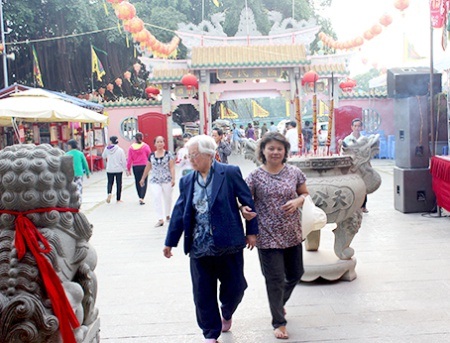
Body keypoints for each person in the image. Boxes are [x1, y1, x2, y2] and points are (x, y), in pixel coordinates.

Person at [163, 135, 258, 343]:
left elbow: (247, 200)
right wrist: (170, 241)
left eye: (194, 155)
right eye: (189, 156)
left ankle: (227, 310)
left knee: (236, 287)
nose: (191, 160)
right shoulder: (187, 180)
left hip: (229, 244)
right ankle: (210, 334)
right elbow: (180, 211)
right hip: (199, 247)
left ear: (209, 154)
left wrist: (251, 231)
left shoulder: (230, 173)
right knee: (202, 293)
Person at [245, 132, 309, 340]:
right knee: (274, 279)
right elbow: (245, 201)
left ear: (285, 152)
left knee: (296, 273)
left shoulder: (294, 172)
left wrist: (299, 201)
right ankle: (279, 322)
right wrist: (244, 212)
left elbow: (305, 194)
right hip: (266, 235)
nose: (275, 152)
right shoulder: (255, 176)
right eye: (271, 148)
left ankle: (278, 303)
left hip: (292, 232)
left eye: (279, 149)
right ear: (263, 151)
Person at [140, 136, 175, 227]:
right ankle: (160, 218)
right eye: (158, 142)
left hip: (166, 179)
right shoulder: (151, 156)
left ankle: (167, 215)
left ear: (164, 143)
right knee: (156, 196)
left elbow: (171, 167)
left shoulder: (168, 154)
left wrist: (173, 178)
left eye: (161, 142)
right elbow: (148, 167)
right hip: (155, 180)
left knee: (168, 198)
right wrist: (143, 178)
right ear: (155, 144)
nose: (159, 144)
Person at [343, 118, 369, 213]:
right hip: (352, 165)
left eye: (359, 126)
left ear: (361, 127)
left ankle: (363, 206)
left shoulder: (364, 139)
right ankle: (353, 205)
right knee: (354, 186)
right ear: (352, 127)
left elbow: (368, 152)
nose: (357, 128)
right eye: (355, 126)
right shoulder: (347, 139)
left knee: (364, 186)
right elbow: (343, 152)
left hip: (363, 165)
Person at [127, 132, 151, 205]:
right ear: (142, 137)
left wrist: (128, 168)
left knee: (137, 181)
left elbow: (129, 159)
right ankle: (142, 197)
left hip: (135, 166)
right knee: (144, 181)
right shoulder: (146, 146)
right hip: (144, 165)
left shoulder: (131, 148)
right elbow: (150, 156)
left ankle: (139, 196)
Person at [102, 136, 127, 203]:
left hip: (109, 169)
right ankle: (118, 199)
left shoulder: (106, 149)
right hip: (118, 169)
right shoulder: (120, 150)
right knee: (119, 183)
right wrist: (126, 169)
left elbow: (103, 156)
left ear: (111, 141)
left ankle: (109, 193)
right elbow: (123, 161)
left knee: (110, 182)